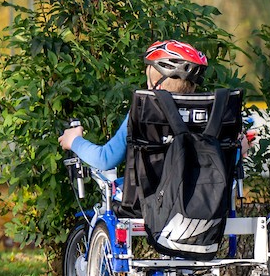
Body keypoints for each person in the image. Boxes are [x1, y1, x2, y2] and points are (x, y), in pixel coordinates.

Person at [59, 40, 207, 176]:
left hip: (152, 195)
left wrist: (74, 140)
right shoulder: (210, 113)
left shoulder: (145, 112)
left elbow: (105, 159)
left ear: (158, 85)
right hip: (202, 194)